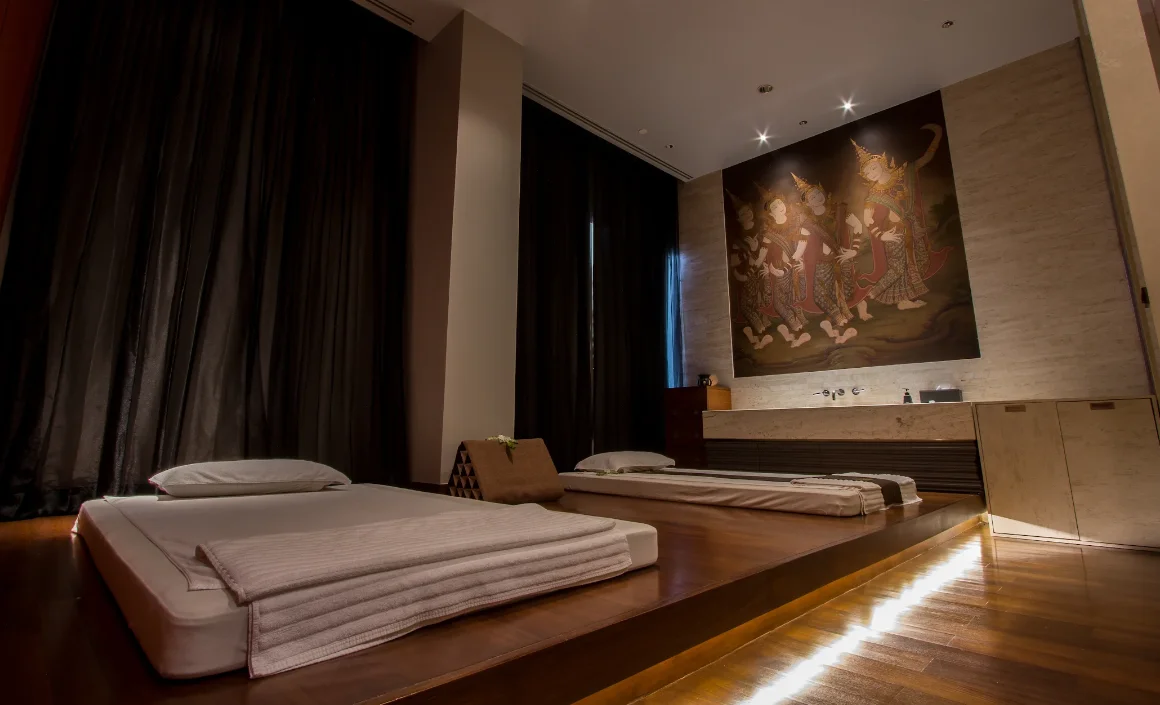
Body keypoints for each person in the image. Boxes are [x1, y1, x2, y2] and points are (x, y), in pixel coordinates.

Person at [851, 125, 951, 310]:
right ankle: (869, 295)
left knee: (916, 263)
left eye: (872, 167)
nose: (871, 173)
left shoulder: (904, 174)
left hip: (912, 227)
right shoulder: (873, 195)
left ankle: (904, 301)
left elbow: (925, 159)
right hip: (894, 232)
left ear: (881, 162)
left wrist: (937, 136)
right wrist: (882, 235)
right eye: (867, 172)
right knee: (898, 268)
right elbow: (867, 220)